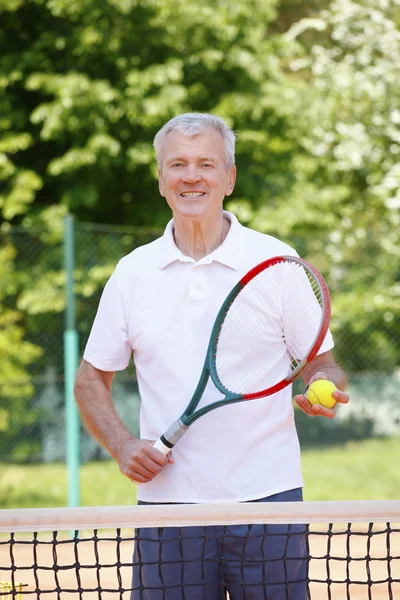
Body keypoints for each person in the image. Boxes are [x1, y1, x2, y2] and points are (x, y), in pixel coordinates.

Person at [74, 113, 349, 599]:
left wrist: (321, 386)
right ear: (161, 180)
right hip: (169, 510)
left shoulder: (276, 262)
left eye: (206, 163)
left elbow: (321, 363)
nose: (191, 176)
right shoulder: (133, 273)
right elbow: (90, 379)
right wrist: (121, 445)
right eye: (177, 164)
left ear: (230, 177)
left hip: (269, 504)